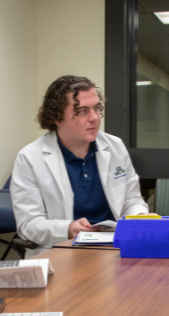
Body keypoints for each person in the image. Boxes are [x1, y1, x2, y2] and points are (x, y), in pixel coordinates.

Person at [11, 75, 151, 254]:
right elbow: (28, 224)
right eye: (83, 111)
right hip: (63, 251)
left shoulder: (115, 146)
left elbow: (131, 199)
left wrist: (138, 215)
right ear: (57, 117)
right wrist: (68, 229)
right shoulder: (30, 158)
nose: (94, 118)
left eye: (97, 108)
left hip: (114, 248)